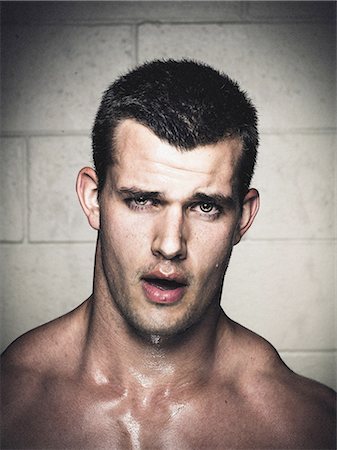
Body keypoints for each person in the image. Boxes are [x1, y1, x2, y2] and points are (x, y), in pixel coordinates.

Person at [1, 59, 335, 450]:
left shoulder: (306, 427)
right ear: (93, 200)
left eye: (205, 207)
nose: (171, 244)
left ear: (242, 218)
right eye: (143, 200)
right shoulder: (13, 403)